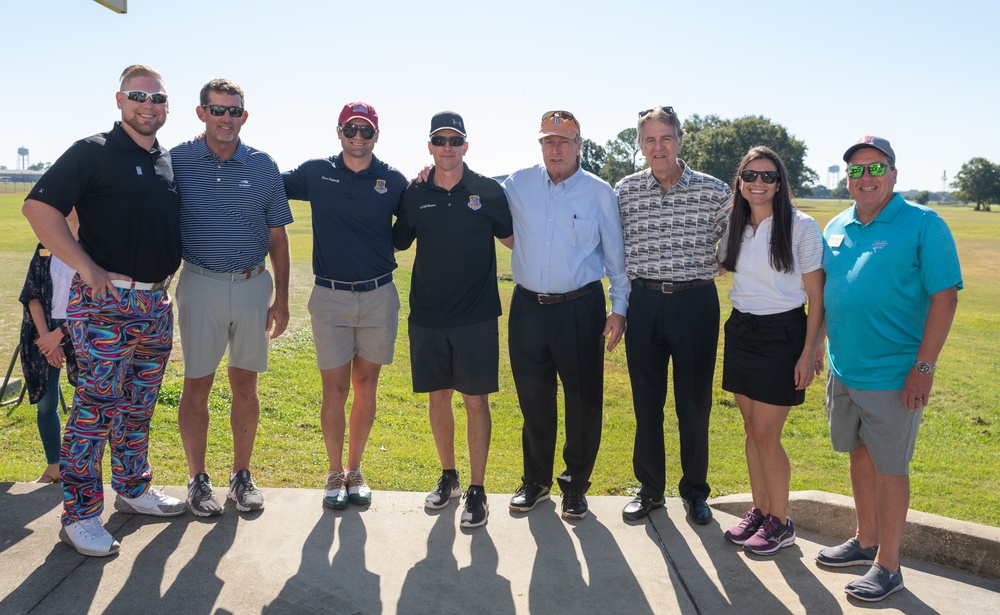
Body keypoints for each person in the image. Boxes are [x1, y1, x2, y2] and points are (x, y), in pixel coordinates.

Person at [21, 64, 186, 557]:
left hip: (155, 303)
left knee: (138, 406)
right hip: (105, 305)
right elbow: (38, 209)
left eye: (156, 99)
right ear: (119, 100)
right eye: (138, 96)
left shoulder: (166, 161)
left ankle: (132, 489)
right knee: (95, 411)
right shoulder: (92, 151)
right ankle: (80, 515)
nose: (147, 106)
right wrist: (85, 268)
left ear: (166, 107)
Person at [815, 136, 961, 602]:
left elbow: (945, 296)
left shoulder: (924, 223)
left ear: (894, 174)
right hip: (845, 369)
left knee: (891, 467)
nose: (865, 178)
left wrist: (924, 366)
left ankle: (890, 566)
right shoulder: (836, 225)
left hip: (894, 375)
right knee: (859, 454)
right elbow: (824, 296)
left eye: (875, 168)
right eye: (856, 171)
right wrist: (815, 348)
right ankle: (865, 540)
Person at [170, 79, 293, 516]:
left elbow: (278, 235)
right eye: (217, 110)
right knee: (197, 384)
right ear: (201, 112)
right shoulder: (177, 160)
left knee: (245, 383)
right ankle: (196, 479)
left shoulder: (263, 165)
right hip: (200, 283)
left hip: (252, 285)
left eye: (234, 111)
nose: (226, 118)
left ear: (245, 115)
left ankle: (241, 475)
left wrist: (280, 297)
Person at [502, 110, 629, 520]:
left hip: (580, 307)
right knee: (534, 400)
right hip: (527, 309)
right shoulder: (518, 183)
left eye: (563, 141)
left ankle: (575, 486)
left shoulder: (598, 192)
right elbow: (476, 198)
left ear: (579, 146)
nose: (555, 149)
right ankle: (535, 482)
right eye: (547, 141)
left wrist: (618, 309)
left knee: (582, 401)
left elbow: (616, 258)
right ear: (540, 146)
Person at [283, 102, 406, 510]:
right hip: (330, 297)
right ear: (338, 132)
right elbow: (266, 180)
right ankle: (334, 472)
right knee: (333, 389)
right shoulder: (316, 171)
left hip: (378, 296)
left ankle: (355, 470)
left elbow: (414, 222)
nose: (358, 136)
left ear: (376, 135)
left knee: (366, 385)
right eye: (351, 129)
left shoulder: (393, 180)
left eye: (366, 130)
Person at [392, 111, 513, 528]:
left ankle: (478, 490)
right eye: (439, 141)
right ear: (429, 146)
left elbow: (517, 241)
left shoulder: (488, 191)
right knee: (438, 397)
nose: (447, 147)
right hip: (427, 316)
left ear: (466, 145)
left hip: (476, 317)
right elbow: (396, 239)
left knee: (475, 401)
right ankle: (449, 477)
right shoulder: (415, 193)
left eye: (454, 140)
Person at [615, 106, 731, 524]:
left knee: (693, 405)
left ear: (680, 140)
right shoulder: (625, 191)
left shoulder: (714, 190)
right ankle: (649, 489)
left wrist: (720, 261)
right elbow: (613, 249)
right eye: (650, 139)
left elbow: (739, 238)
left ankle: (695, 491)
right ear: (641, 145)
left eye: (666, 138)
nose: (658, 146)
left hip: (694, 304)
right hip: (643, 303)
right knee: (647, 403)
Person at [717, 147, 825, 555]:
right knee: (750, 429)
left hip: (783, 333)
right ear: (740, 180)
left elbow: (817, 295)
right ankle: (760, 511)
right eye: (750, 175)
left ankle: (781, 522)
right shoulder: (736, 225)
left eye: (767, 176)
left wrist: (808, 350)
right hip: (742, 330)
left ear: (780, 183)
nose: (758, 183)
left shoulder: (801, 226)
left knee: (767, 433)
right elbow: (719, 265)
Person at [18, 209, 80, 484]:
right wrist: (47, 339)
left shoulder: (97, 242)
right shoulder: (47, 241)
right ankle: (54, 466)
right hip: (44, 331)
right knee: (46, 405)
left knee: (88, 405)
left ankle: (81, 469)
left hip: (82, 330)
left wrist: (60, 335)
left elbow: (98, 296)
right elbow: (31, 293)